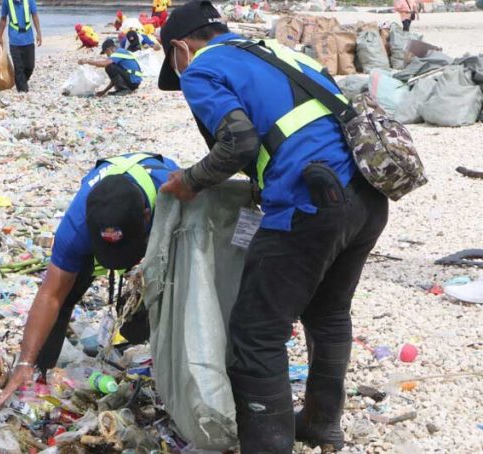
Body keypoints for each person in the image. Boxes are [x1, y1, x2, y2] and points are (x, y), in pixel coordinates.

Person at [158, 2, 388, 452]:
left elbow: (239, 142)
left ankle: (269, 443)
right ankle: (322, 422)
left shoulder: (203, 68)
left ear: (180, 49)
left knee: (255, 331)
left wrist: (190, 181)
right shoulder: (279, 51)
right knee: (328, 313)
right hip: (367, 196)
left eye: (175, 63)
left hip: (311, 202)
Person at [0, 153, 179, 406]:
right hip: (112, 228)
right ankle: (38, 375)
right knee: (66, 295)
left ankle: (153, 362)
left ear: (147, 217)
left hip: (159, 229)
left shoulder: (174, 196)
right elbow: (51, 295)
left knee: (160, 300)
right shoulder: (76, 227)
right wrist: (25, 361)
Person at [0, 0, 42, 92]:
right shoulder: (6, 2)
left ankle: (21, 82)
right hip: (14, 41)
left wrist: (39, 34)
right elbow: (3, 19)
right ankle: (23, 91)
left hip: (28, 39)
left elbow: (35, 16)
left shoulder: (30, 1)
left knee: (30, 67)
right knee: (19, 67)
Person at [78, 38, 143, 97]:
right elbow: (116, 79)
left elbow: (105, 64)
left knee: (109, 67)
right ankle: (123, 89)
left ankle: (124, 90)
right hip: (133, 82)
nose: (107, 55)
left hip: (133, 81)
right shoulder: (121, 52)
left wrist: (87, 61)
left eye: (106, 52)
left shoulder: (118, 53)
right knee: (111, 67)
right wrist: (104, 91)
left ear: (109, 49)